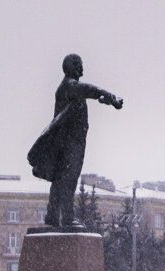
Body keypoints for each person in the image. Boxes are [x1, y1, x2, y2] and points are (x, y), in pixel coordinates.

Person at [27, 53, 123, 229]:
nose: (82, 68)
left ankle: (53, 216)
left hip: (69, 141)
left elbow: (85, 93)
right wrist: (109, 96)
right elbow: (88, 90)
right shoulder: (69, 86)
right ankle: (67, 217)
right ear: (70, 67)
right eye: (78, 64)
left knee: (60, 180)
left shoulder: (68, 88)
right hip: (70, 142)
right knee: (69, 179)